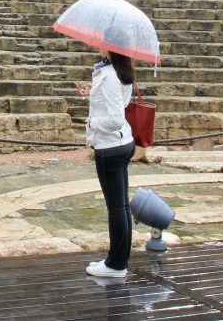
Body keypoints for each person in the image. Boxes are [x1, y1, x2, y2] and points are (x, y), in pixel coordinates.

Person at [85, 37, 136, 279]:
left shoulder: (111, 76)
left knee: (116, 208)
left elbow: (115, 118)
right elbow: (113, 107)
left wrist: (91, 122)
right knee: (121, 206)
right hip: (121, 143)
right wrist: (91, 95)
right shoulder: (118, 70)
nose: (97, 43)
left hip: (110, 147)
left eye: (102, 40)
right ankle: (119, 259)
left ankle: (116, 265)